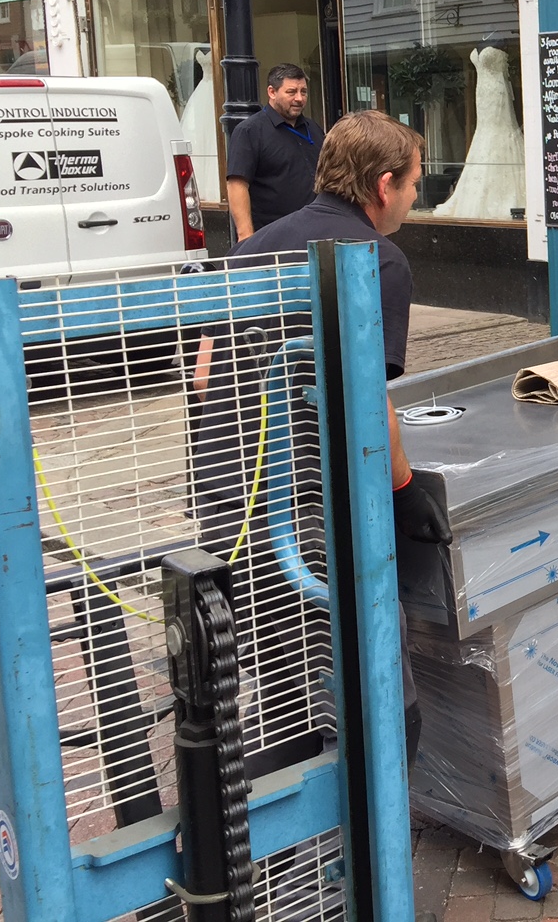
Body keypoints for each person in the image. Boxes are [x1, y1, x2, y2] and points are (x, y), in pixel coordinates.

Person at [192, 110, 449, 766]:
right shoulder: (376, 260)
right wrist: (405, 488)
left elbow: (202, 373)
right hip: (304, 525)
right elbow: (368, 399)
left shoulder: (250, 250)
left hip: (226, 508)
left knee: (286, 700)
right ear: (383, 185)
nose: (416, 199)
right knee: (386, 710)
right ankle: (357, 856)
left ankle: (286, 855)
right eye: (416, 185)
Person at [226, 63, 322, 242]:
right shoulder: (249, 131)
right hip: (273, 237)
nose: (299, 98)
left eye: (304, 92)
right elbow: (237, 184)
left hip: (315, 233)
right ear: (272, 92)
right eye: (291, 92)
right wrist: (246, 236)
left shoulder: (314, 129)